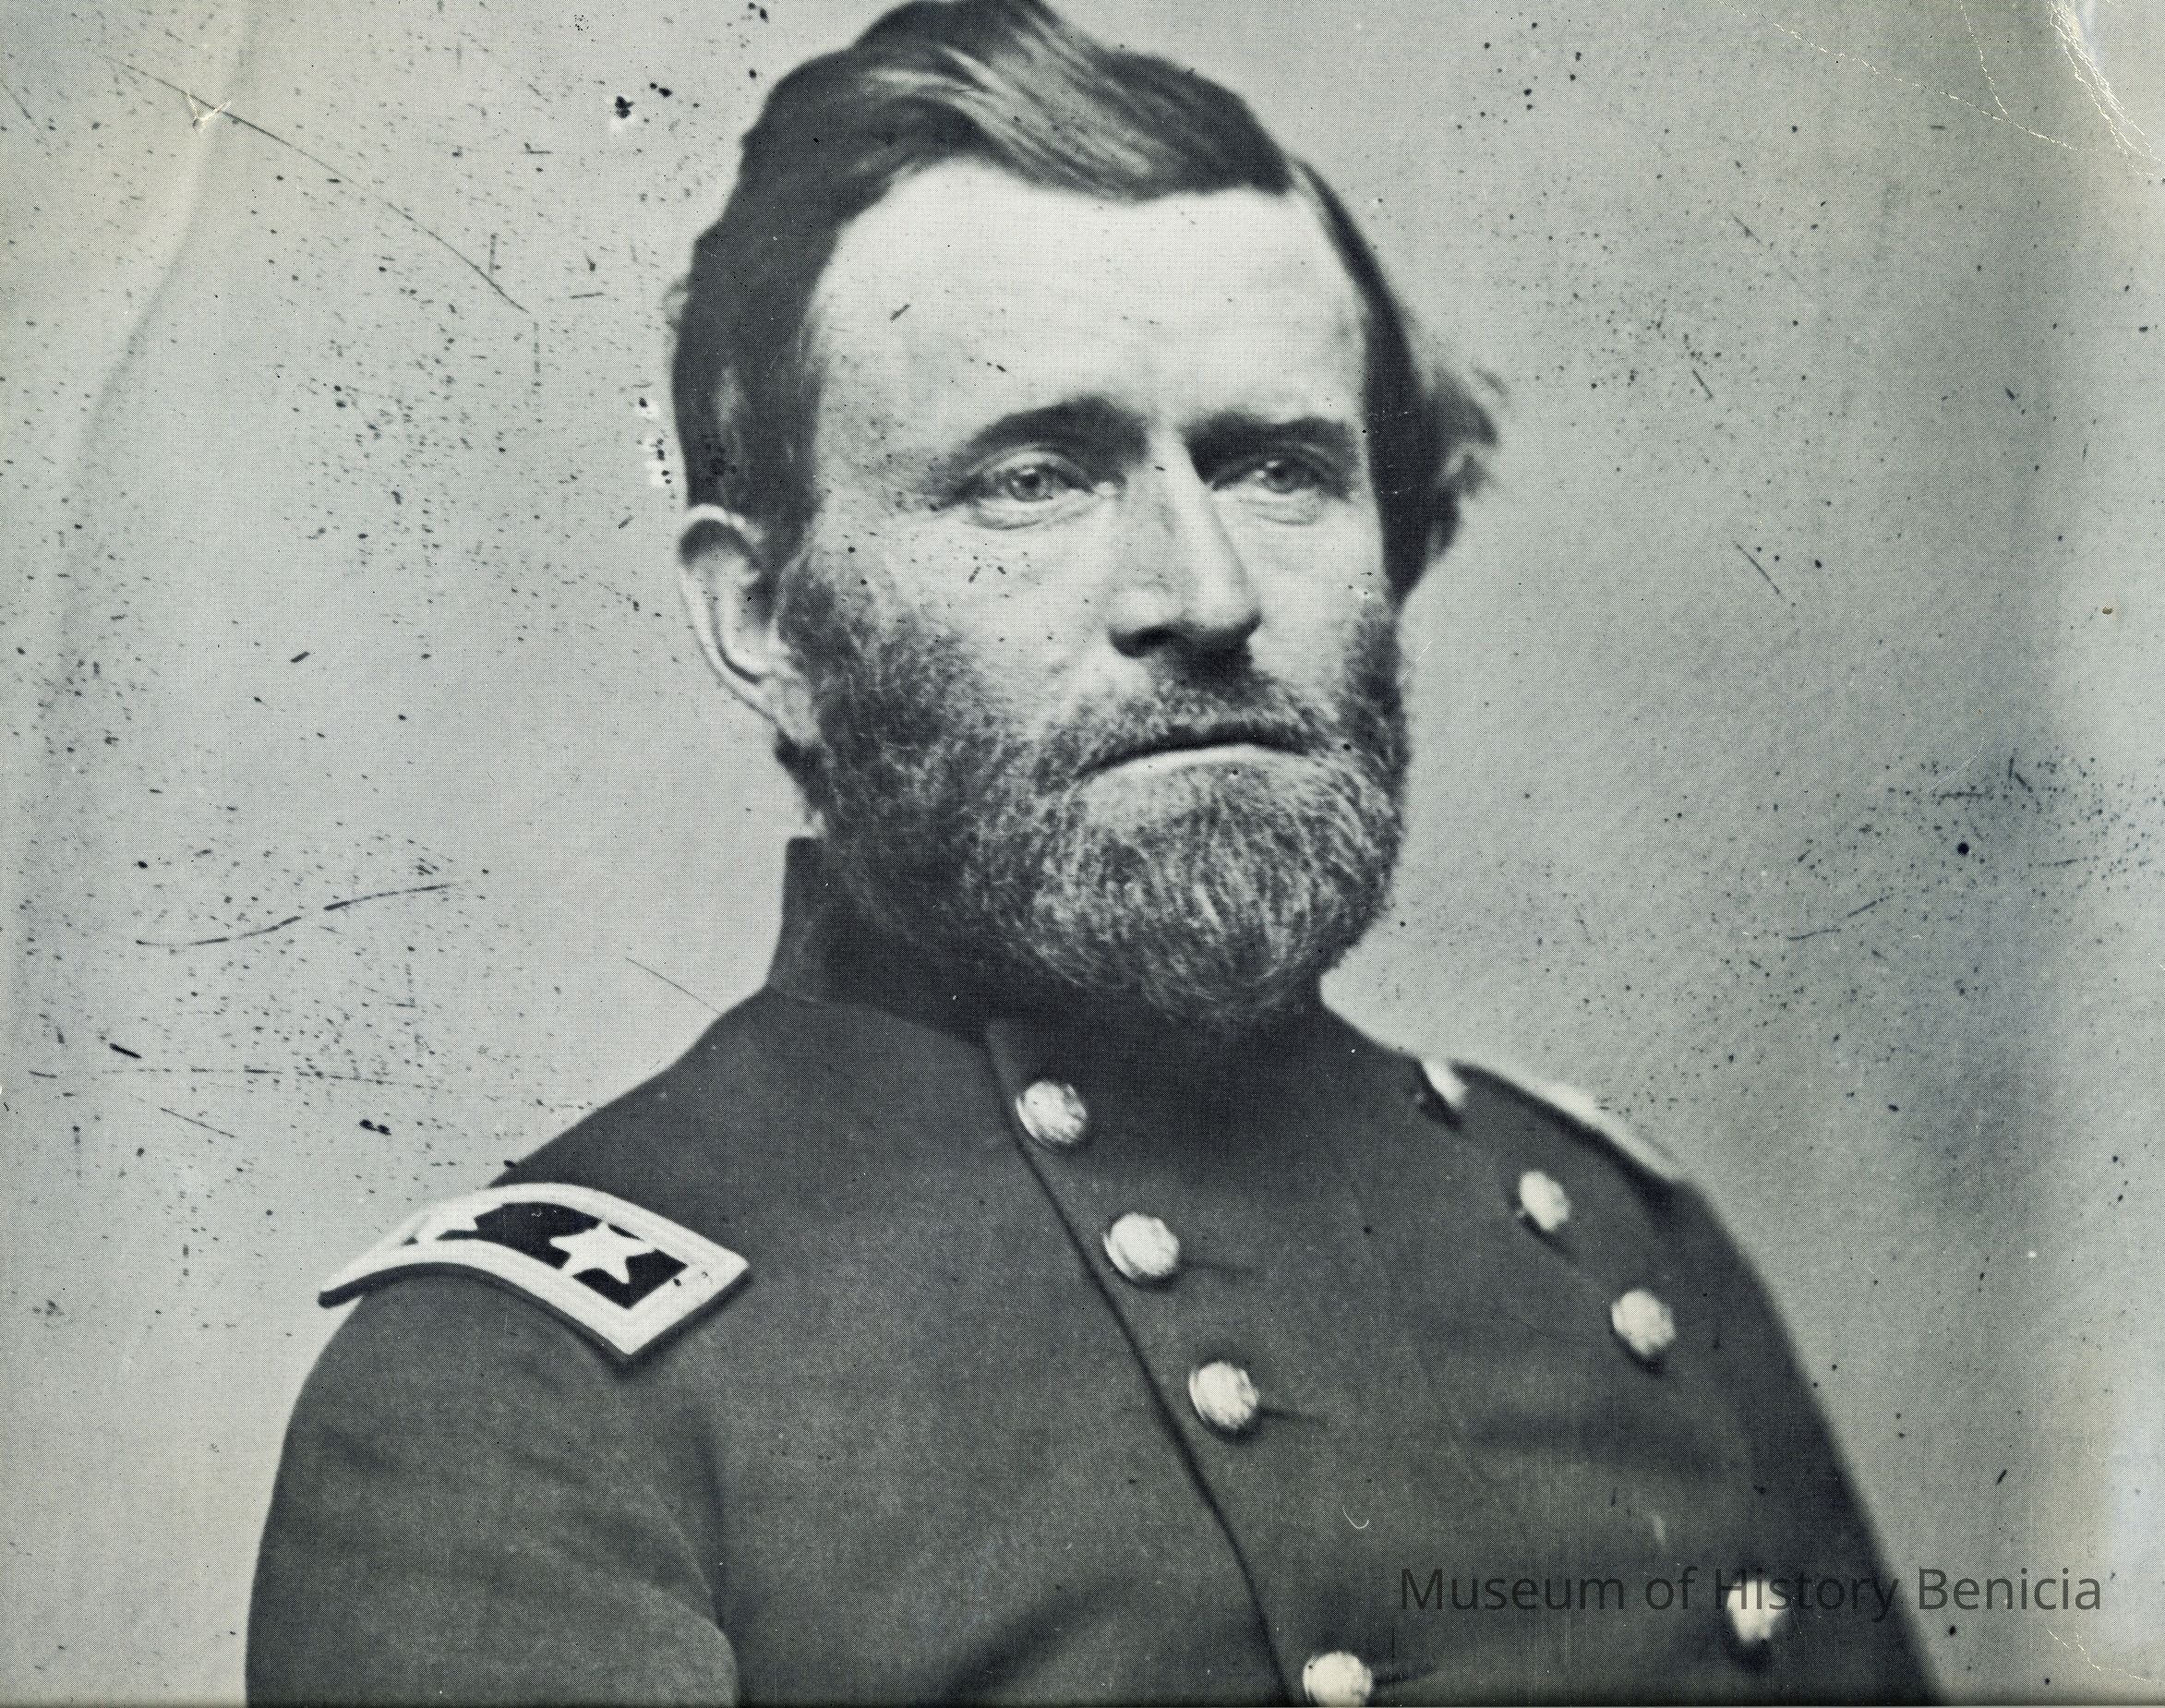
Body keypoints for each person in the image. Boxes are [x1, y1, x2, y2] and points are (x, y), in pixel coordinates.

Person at [247, 3, 1930, 1702]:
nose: (1203, 594)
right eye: (1036, 478)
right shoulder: (525, 1386)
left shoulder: (1624, 1247)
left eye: (1278, 468)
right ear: (764, 615)